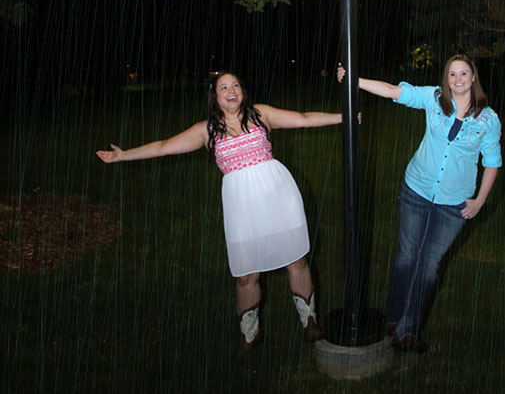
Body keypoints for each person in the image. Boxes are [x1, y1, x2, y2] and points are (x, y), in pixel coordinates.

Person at [97, 71, 344, 354]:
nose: (231, 90)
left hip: (279, 196)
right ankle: (249, 333)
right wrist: (123, 154)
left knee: (296, 260)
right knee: (245, 275)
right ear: (215, 97)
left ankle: (309, 319)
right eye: (223, 87)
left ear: (243, 91)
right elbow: (164, 147)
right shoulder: (207, 131)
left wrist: (343, 117)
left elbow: (303, 118)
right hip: (242, 208)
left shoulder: (261, 115)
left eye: (236, 84)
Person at [338, 54, 502, 353]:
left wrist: (479, 201)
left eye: (464, 73)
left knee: (428, 266)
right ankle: (393, 319)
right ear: (446, 78)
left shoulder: (488, 119)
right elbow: (392, 91)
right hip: (417, 190)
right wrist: (355, 80)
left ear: (474, 77)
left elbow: (492, 162)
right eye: (452, 74)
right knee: (406, 257)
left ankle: (408, 330)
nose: (458, 79)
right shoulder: (434, 98)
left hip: (454, 204)